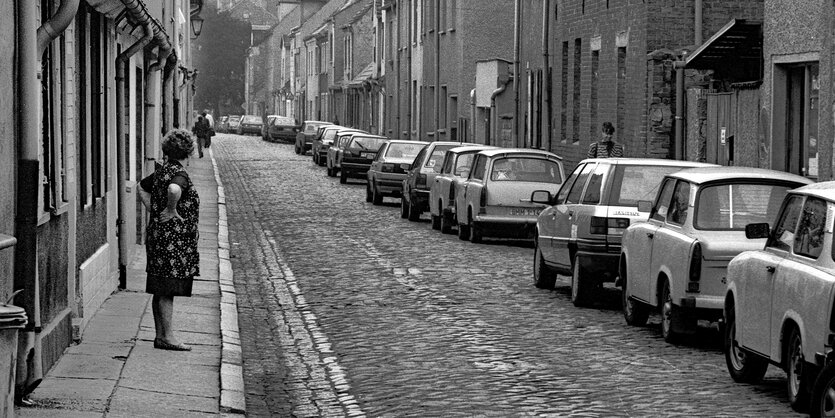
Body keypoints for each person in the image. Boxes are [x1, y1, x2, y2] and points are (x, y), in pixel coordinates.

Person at [138, 129, 200, 351]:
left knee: (159, 287)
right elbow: (174, 189)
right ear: (188, 152)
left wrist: (154, 212)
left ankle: (160, 335)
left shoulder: (163, 171)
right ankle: (168, 336)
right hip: (173, 242)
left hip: (158, 237)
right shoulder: (179, 175)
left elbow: (141, 188)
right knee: (168, 290)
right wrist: (171, 209)